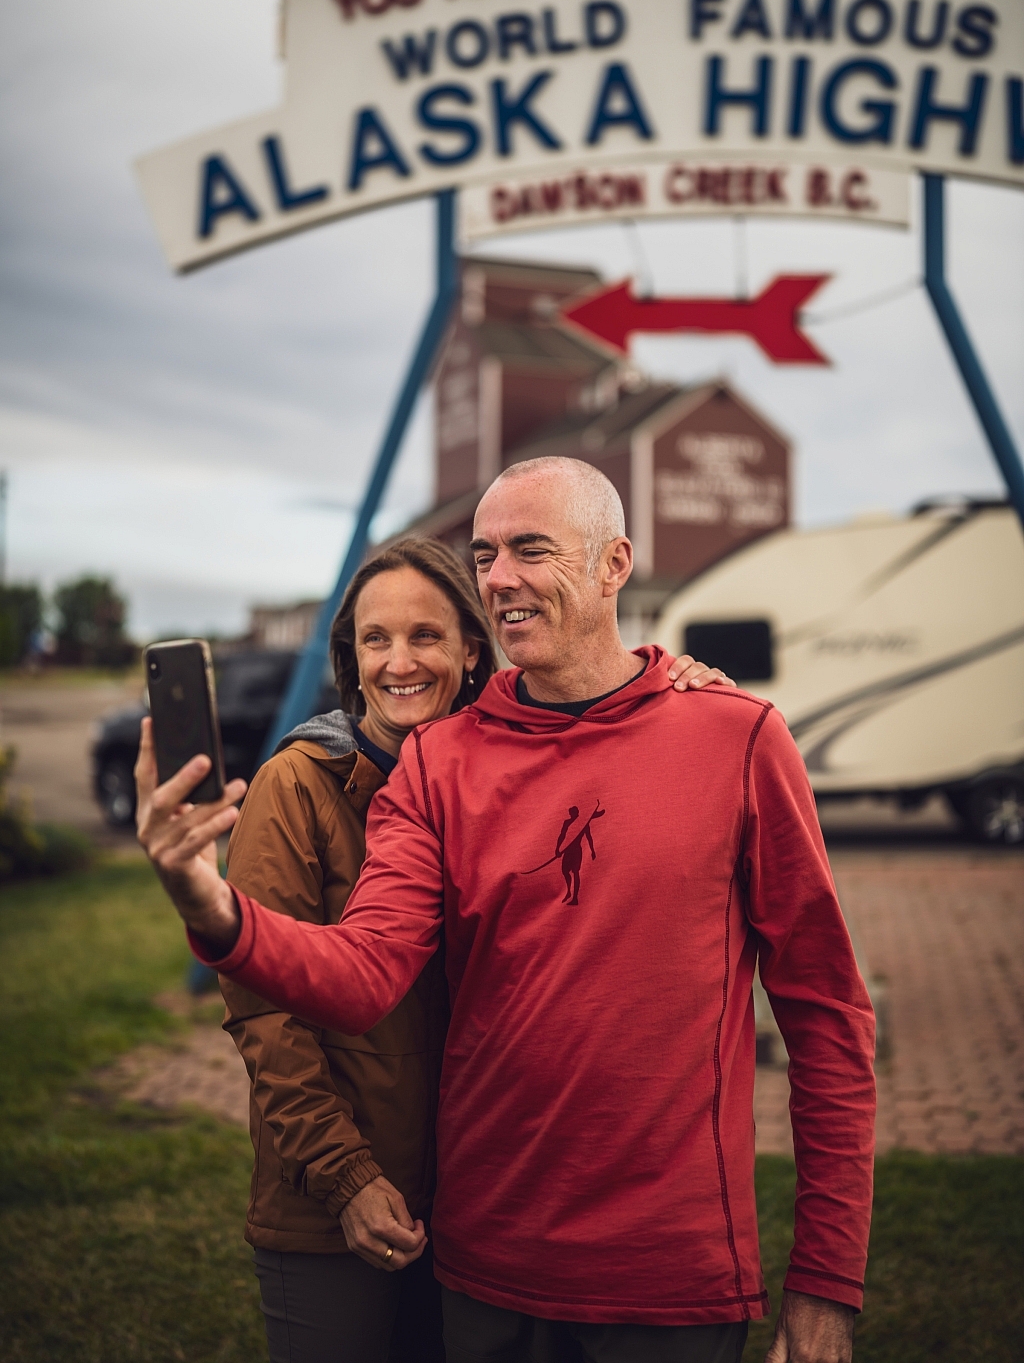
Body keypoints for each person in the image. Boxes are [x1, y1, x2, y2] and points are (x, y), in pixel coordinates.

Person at [140, 459, 876, 1363]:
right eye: (486, 554)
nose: (499, 578)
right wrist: (210, 905)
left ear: (615, 564)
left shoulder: (739, 738)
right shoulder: (438, 762)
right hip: (481, 1274)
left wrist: (826, 1284)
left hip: (669, 1279)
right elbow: (365, 972)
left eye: (532, 548)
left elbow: (829, 1019)